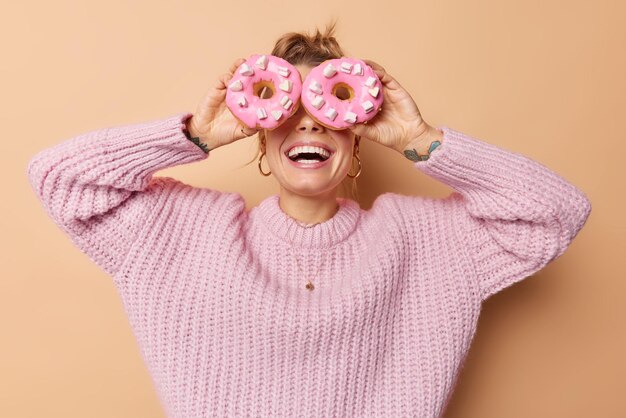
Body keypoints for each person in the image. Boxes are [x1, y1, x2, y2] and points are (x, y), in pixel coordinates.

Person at [26, 23, 591, 418]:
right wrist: (196, 135)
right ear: (260, 142)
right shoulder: (184, 235)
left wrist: (421, 140)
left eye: (329, 111)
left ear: (358, 136)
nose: (309, 127)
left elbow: (555, 213)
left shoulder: (425, 242)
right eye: (287, 113)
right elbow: (59, 178)